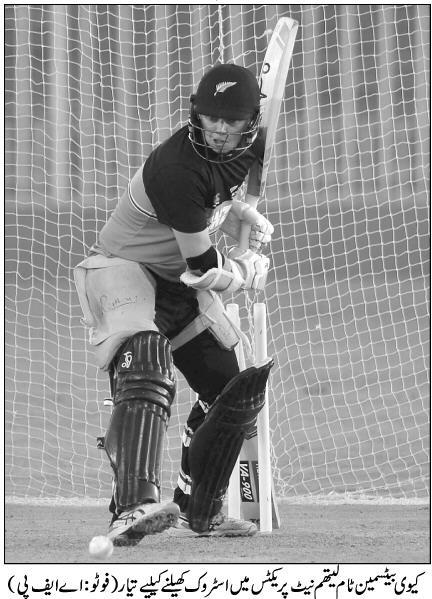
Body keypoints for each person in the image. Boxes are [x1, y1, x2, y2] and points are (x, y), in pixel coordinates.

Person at [74, 63, 274, 547]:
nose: (220, 130)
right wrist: (246, 270)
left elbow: (210, 203)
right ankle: (134, 506)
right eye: (212, 118)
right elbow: (204, 267)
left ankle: (198, 510)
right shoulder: (176, 167)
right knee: (147, 359)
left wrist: (232, 213)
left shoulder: (249, 149)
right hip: (123, 268)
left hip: (173, 279)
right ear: (195, 115)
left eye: (232, 121)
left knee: (232, 389)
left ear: (250, 121)